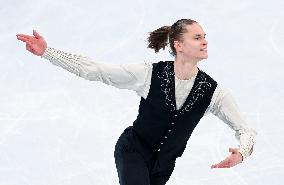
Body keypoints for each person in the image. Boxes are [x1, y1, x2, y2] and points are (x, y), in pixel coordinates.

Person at [16, 19, 257, 185]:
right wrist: (48, 52)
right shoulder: (148, 74)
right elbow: (95, 70)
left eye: (204, 37)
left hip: (163, 167)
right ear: (179, 45)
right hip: (133, 151)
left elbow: (245, 130)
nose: (205, 41)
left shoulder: (213, 93)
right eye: (197, 37)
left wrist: (242, 154)